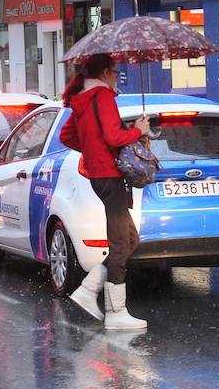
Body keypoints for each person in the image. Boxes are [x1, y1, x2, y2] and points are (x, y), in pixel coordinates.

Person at [59, 54, 151, 330]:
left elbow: (68, 136)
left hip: (99, 175)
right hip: (110, 176)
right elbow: (114, 137)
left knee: (129, 238)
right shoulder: (102, 97)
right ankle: (116, 312)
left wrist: (92, 149)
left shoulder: (83, 101)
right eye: (115, 71)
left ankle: (89, 290)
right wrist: (137, 130)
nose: (116, 77)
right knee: (122, 242)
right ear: (105, 73)